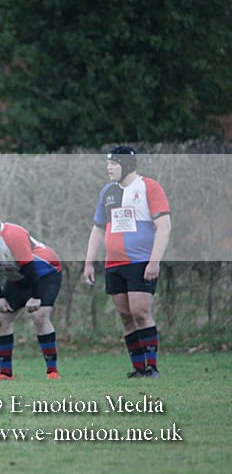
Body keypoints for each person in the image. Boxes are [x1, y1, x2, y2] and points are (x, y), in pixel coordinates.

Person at [83, 146, 171, 378]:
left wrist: (154, 261)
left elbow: (164, 226)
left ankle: (152, 367)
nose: (108, 168)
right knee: (125, 316)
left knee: (140, 312)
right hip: (114, 264)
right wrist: (89, 262)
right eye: (108, 163)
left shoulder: (149, 187)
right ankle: (138, 368)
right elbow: (98, 229)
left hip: (141, 262)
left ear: (127, 165)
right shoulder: (107, 192)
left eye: (113, 163)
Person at [0, 208, 62, 381]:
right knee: (0, 318)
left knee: (39, 316)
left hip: (45, 274)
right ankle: (5, 373)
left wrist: (36, 296)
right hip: (18, 276)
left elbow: (30, 268)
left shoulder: (14, 235)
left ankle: (52, 372)